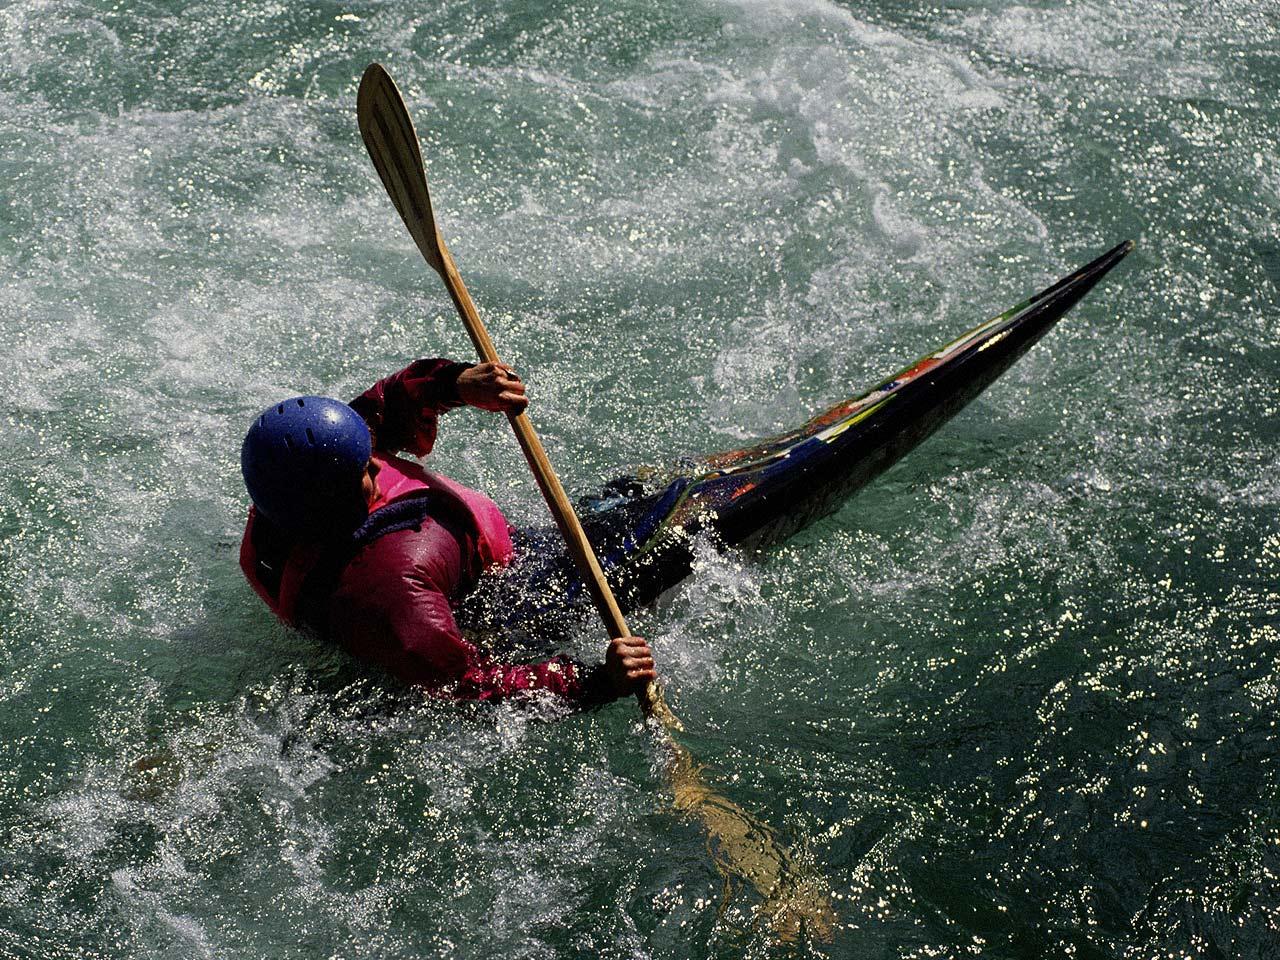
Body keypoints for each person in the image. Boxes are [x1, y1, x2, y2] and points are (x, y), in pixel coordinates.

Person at [238, 358, 657, 707]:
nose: (377, 463)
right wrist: (598, 682)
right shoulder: (390, 593)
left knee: (648, 486)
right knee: (697, 513)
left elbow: (382, 407)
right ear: (336, 509)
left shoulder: (298, 483)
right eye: (365, 469)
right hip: (509, 602)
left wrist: (454, 384)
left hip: (506, 550)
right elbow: (472, 689)